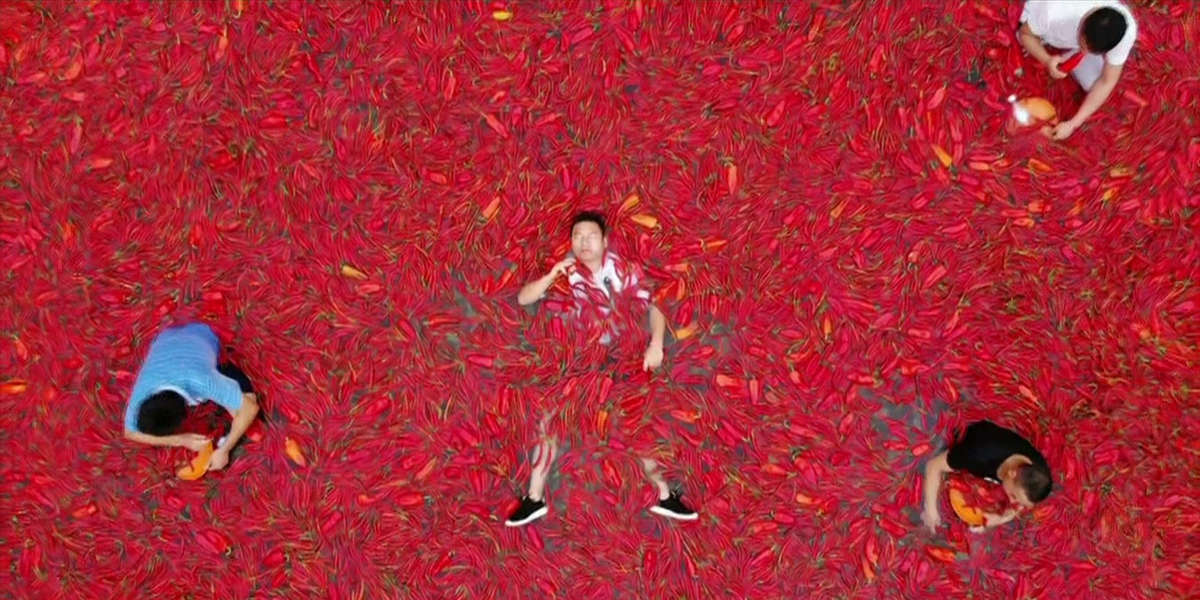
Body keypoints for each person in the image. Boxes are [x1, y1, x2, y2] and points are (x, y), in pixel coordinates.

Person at [506, 211, 696, 526]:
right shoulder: (564, 273)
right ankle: (534, 499)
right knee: (550, 418)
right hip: (579, 359)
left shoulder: (624, 270)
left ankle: (665, 495)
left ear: (605, 241)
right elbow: (525, 298)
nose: (583, 242)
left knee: (636, 423)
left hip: (621, 357)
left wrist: (656, 344)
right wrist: (551, 275)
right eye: (577, 236)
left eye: (590, 235)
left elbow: (654, 307)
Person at [123, 323, 259, 472]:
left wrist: (224, 449)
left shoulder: (202, 382)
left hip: (203, 332)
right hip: (167, 334)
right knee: (239, 413)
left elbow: (250, 408)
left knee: (244, 408)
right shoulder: (143, 391)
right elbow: (130, 433)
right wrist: (180, 440)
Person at [1017, 1, 1137, 140]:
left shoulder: (1125, 31)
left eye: (1091, 50)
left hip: (1070, 40)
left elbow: (1107, 81)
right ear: (1087, 17)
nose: (1085, 49)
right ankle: (1059, 48)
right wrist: (1047, 60)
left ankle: (1068, 52)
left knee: (1094, 84)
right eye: (1083, 40)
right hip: (1040, 26)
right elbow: (1024, 34)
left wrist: (1073, 124)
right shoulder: (1054, 11)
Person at [921, 420, 1053, 532]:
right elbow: (933, 466)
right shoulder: (979, 454)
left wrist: (1001, 519)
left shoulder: (1039, 471)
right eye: (1013, 496)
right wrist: (931, 511)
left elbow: (1023, 502)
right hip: (970, 439)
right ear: (1012, 473)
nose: (1012, 503)